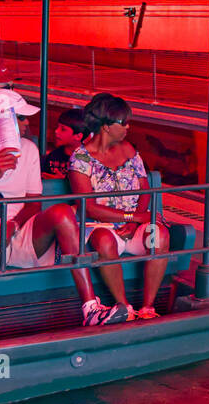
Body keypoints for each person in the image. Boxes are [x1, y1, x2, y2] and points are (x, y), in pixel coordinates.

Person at [0, 88, 123, 347]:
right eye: (20, 119)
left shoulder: (29, 150)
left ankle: (90, 308)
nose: (26, 124)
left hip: (18, 232)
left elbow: (33, 201)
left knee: (62, 212)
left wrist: (14, 224)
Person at [67, 93, 170, 322]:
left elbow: (145, 188)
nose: (127, 127)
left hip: (133, 224)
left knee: (158, 235)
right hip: (102, 226)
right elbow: (89, 208)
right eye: (122, 122)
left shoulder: (128, 149)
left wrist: (137, 220)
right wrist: (132, 217)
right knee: (104, 240)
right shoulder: (80, 160)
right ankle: (124, 307)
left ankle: (147, 308)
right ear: (105, 127)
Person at [42, 108, 87, 179]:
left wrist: (63, 181)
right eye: (57, 127)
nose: (56, 131)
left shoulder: (87, 158)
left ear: (78, 136)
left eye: (63, 129)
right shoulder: (53, 156)